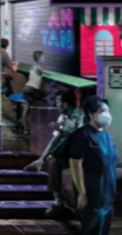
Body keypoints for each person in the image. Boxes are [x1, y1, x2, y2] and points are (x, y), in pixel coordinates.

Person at [66, 95, 120, 235]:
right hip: (93, 198)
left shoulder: (105, 136)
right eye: (101, 111)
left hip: (107, 197)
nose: (106, 114)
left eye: (106, 110)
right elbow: (75, 163)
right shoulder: (82, 136)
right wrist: (82, 192)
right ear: (91, 114)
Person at [26, 88, 83, 216]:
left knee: (77, 181)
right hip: (67, 153)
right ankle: (59, 202)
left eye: (57, 102)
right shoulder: (62, 117)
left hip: (81, 154)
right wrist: (42, 157)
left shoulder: (80, 115)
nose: (56, 105)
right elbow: (55, 138)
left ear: (65, 104)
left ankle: (80, 207)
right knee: (54, 164)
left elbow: (80, 136)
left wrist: (63, 131)